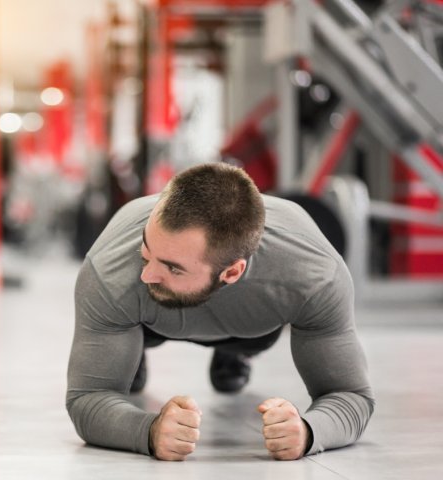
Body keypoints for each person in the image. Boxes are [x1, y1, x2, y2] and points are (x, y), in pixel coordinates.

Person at [66, 162, 374, 461]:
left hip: (252, 327)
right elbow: (88, 399)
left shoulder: (313, 276)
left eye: (172, 267)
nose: (147, 274)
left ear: (232, 272)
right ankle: (135, 349)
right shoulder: (110, 270)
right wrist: (147, 431)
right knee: (126, 342)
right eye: (147, 252)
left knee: (249, 332)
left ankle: (232, 352)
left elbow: (352, 397)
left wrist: (308, 432)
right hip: (148, 321)